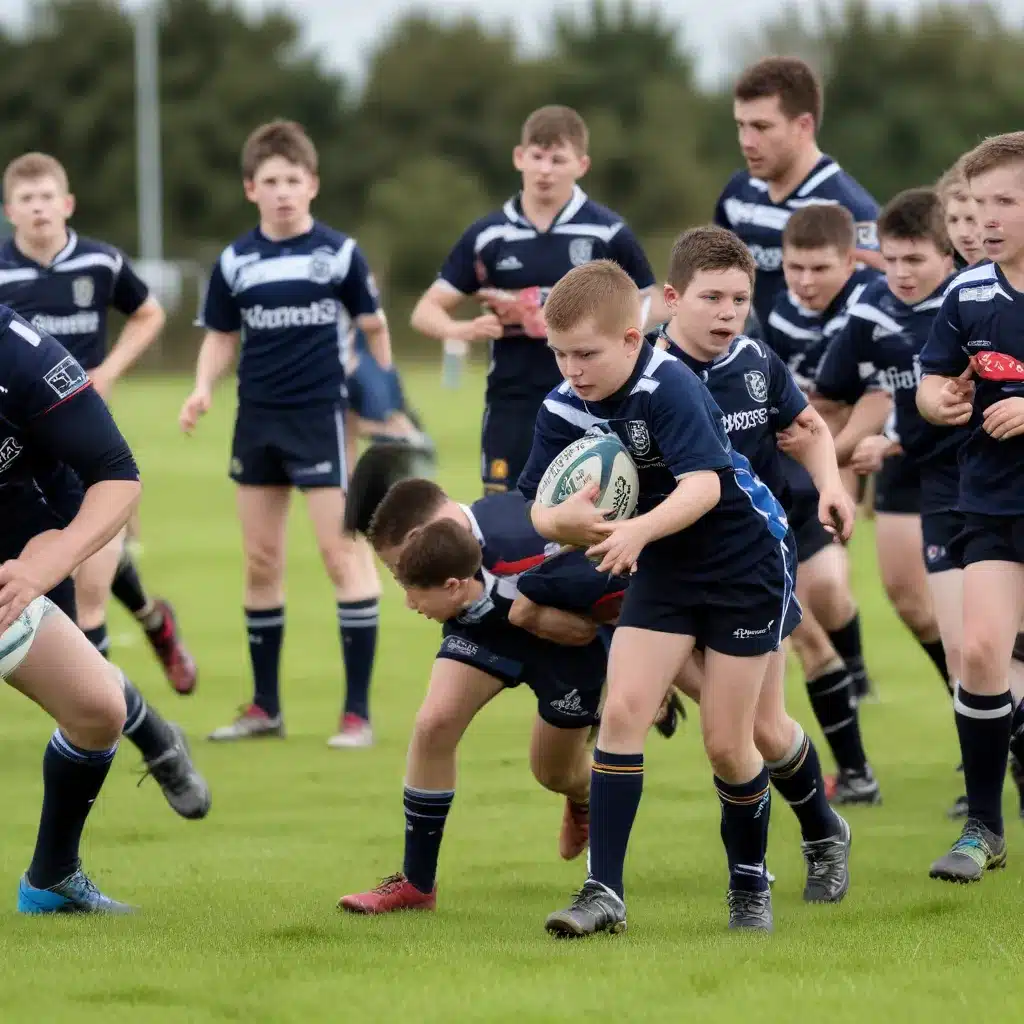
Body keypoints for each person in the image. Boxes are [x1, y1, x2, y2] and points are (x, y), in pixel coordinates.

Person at [521, 260, 850, 936]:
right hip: (665, 565)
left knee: (733, 743)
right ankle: (603, 893)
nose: (571, 368)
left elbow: (702, 487)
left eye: (585, 353)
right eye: (559, 353)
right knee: (623, 713)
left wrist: (635, 528)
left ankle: (760, 875)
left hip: (745, 563)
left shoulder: (669, 386)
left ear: (631, 341)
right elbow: (539, 508)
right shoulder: (561, 401)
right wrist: (565, 524)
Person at [652, 224, 855, 899]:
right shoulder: (643, 375)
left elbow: (809, 431)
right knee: (732, 729)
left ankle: (817, 838)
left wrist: (828, 483)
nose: (727, 313)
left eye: (739, 299)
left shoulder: (756, 364)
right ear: (671, 298)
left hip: (753, 568)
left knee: (757, 730)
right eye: (711, 298)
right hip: (669, 573)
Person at [180, 120, 390, 748]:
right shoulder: (235, 260)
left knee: (339, 556)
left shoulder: (339, 254)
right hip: (257, 420)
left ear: (313, 184)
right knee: (261, 561)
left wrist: (385, 399)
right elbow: (220, 336)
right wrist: (202, 388)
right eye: (270, 181)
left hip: (322, 419)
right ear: (251, 188)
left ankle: (357, 714)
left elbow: (374, 327)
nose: (282, 191)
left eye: (293, 180)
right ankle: (265, 708)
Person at [0, 304, 195, 911]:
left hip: (24, 558)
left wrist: (43, 565)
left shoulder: (22, 354)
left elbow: (117, 473)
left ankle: (51, 877)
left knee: (96, 710)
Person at [337, 481, 610, 914]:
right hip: (481, 632)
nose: (405, 595)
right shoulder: (447, 573)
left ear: (418, 538)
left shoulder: (523, 535)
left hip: (568, 654)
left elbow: (602, 601)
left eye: (399, 573)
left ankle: (585, 799)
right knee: (434, 724)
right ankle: (416, 885)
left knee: (553, 772)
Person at [0, 151, 197, 694]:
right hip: (19, 451)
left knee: (89, 589)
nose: (38, 208)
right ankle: (154, 624)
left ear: (67, 204)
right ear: (9, 211)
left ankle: (96, 721)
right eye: (26, 199)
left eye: (47, 198)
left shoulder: (99, 262)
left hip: (80, 434)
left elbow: (149, 312)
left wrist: (107, 371)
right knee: (85, 562)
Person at [409, 105, 655, 495]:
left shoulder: (606, 232)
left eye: (558, 159)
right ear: (518, 158)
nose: (545, 170)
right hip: (512, 399)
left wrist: (619, 344)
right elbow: (426, 311)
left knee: (589, 516)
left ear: (582, 164)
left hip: (591, 398)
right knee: (505, 518)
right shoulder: (489, 235)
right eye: (536, 157)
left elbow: (650, 300)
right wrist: (464, 328)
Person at [918, 132, 1024, 881]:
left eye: (1005, 202)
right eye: (978, 202)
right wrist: (940, 399)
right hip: (991, 500)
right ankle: (983, 827)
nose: (986, 218)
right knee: (982, 651)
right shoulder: (968, 292)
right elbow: (928, 381)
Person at [816, 191, 959, 720]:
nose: (901, 272)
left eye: (915, 259)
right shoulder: (871, 307)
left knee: (984, 619)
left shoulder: (966, 305)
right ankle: (979, 707)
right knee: (908, 598)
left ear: (948, 257)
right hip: (904, 472)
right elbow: (831, 391)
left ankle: (996, 728)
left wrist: (888, 435)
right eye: (892, 258)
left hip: (969, 468)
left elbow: (963, 396)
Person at [714, 56, 881, 334]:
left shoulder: (850, 211)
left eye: (761, 127)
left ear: (804, 125)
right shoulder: (738, 194)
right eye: (741, 125)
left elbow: (870, 319)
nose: (746, 142)